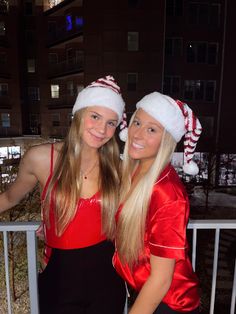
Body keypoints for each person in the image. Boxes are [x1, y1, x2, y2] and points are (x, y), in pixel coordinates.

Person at [0, 75, 126, 314]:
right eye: (95, 116)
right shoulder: (41, 158)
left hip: (108, 279)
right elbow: (8, 198)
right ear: (78, 114)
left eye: (111, 122)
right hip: (59, 279)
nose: (102, 129)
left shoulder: (116, 167)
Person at [113, 91, 202, 314]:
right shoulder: (136, 171)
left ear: (166, 140)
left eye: (151, 129)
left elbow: (161, 280)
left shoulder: (167, 192)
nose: (137, 134)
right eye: (137, 123)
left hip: (169, 303)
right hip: (146, 292)